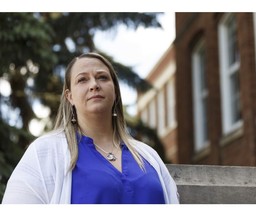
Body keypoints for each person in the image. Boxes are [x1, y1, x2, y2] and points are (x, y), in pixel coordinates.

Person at [2, 52, 179, 204]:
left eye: (102, 77)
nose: (94, 84)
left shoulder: (148, 156)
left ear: (115, 91)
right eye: (82, 80)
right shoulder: (44, 153)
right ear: (69, 96)